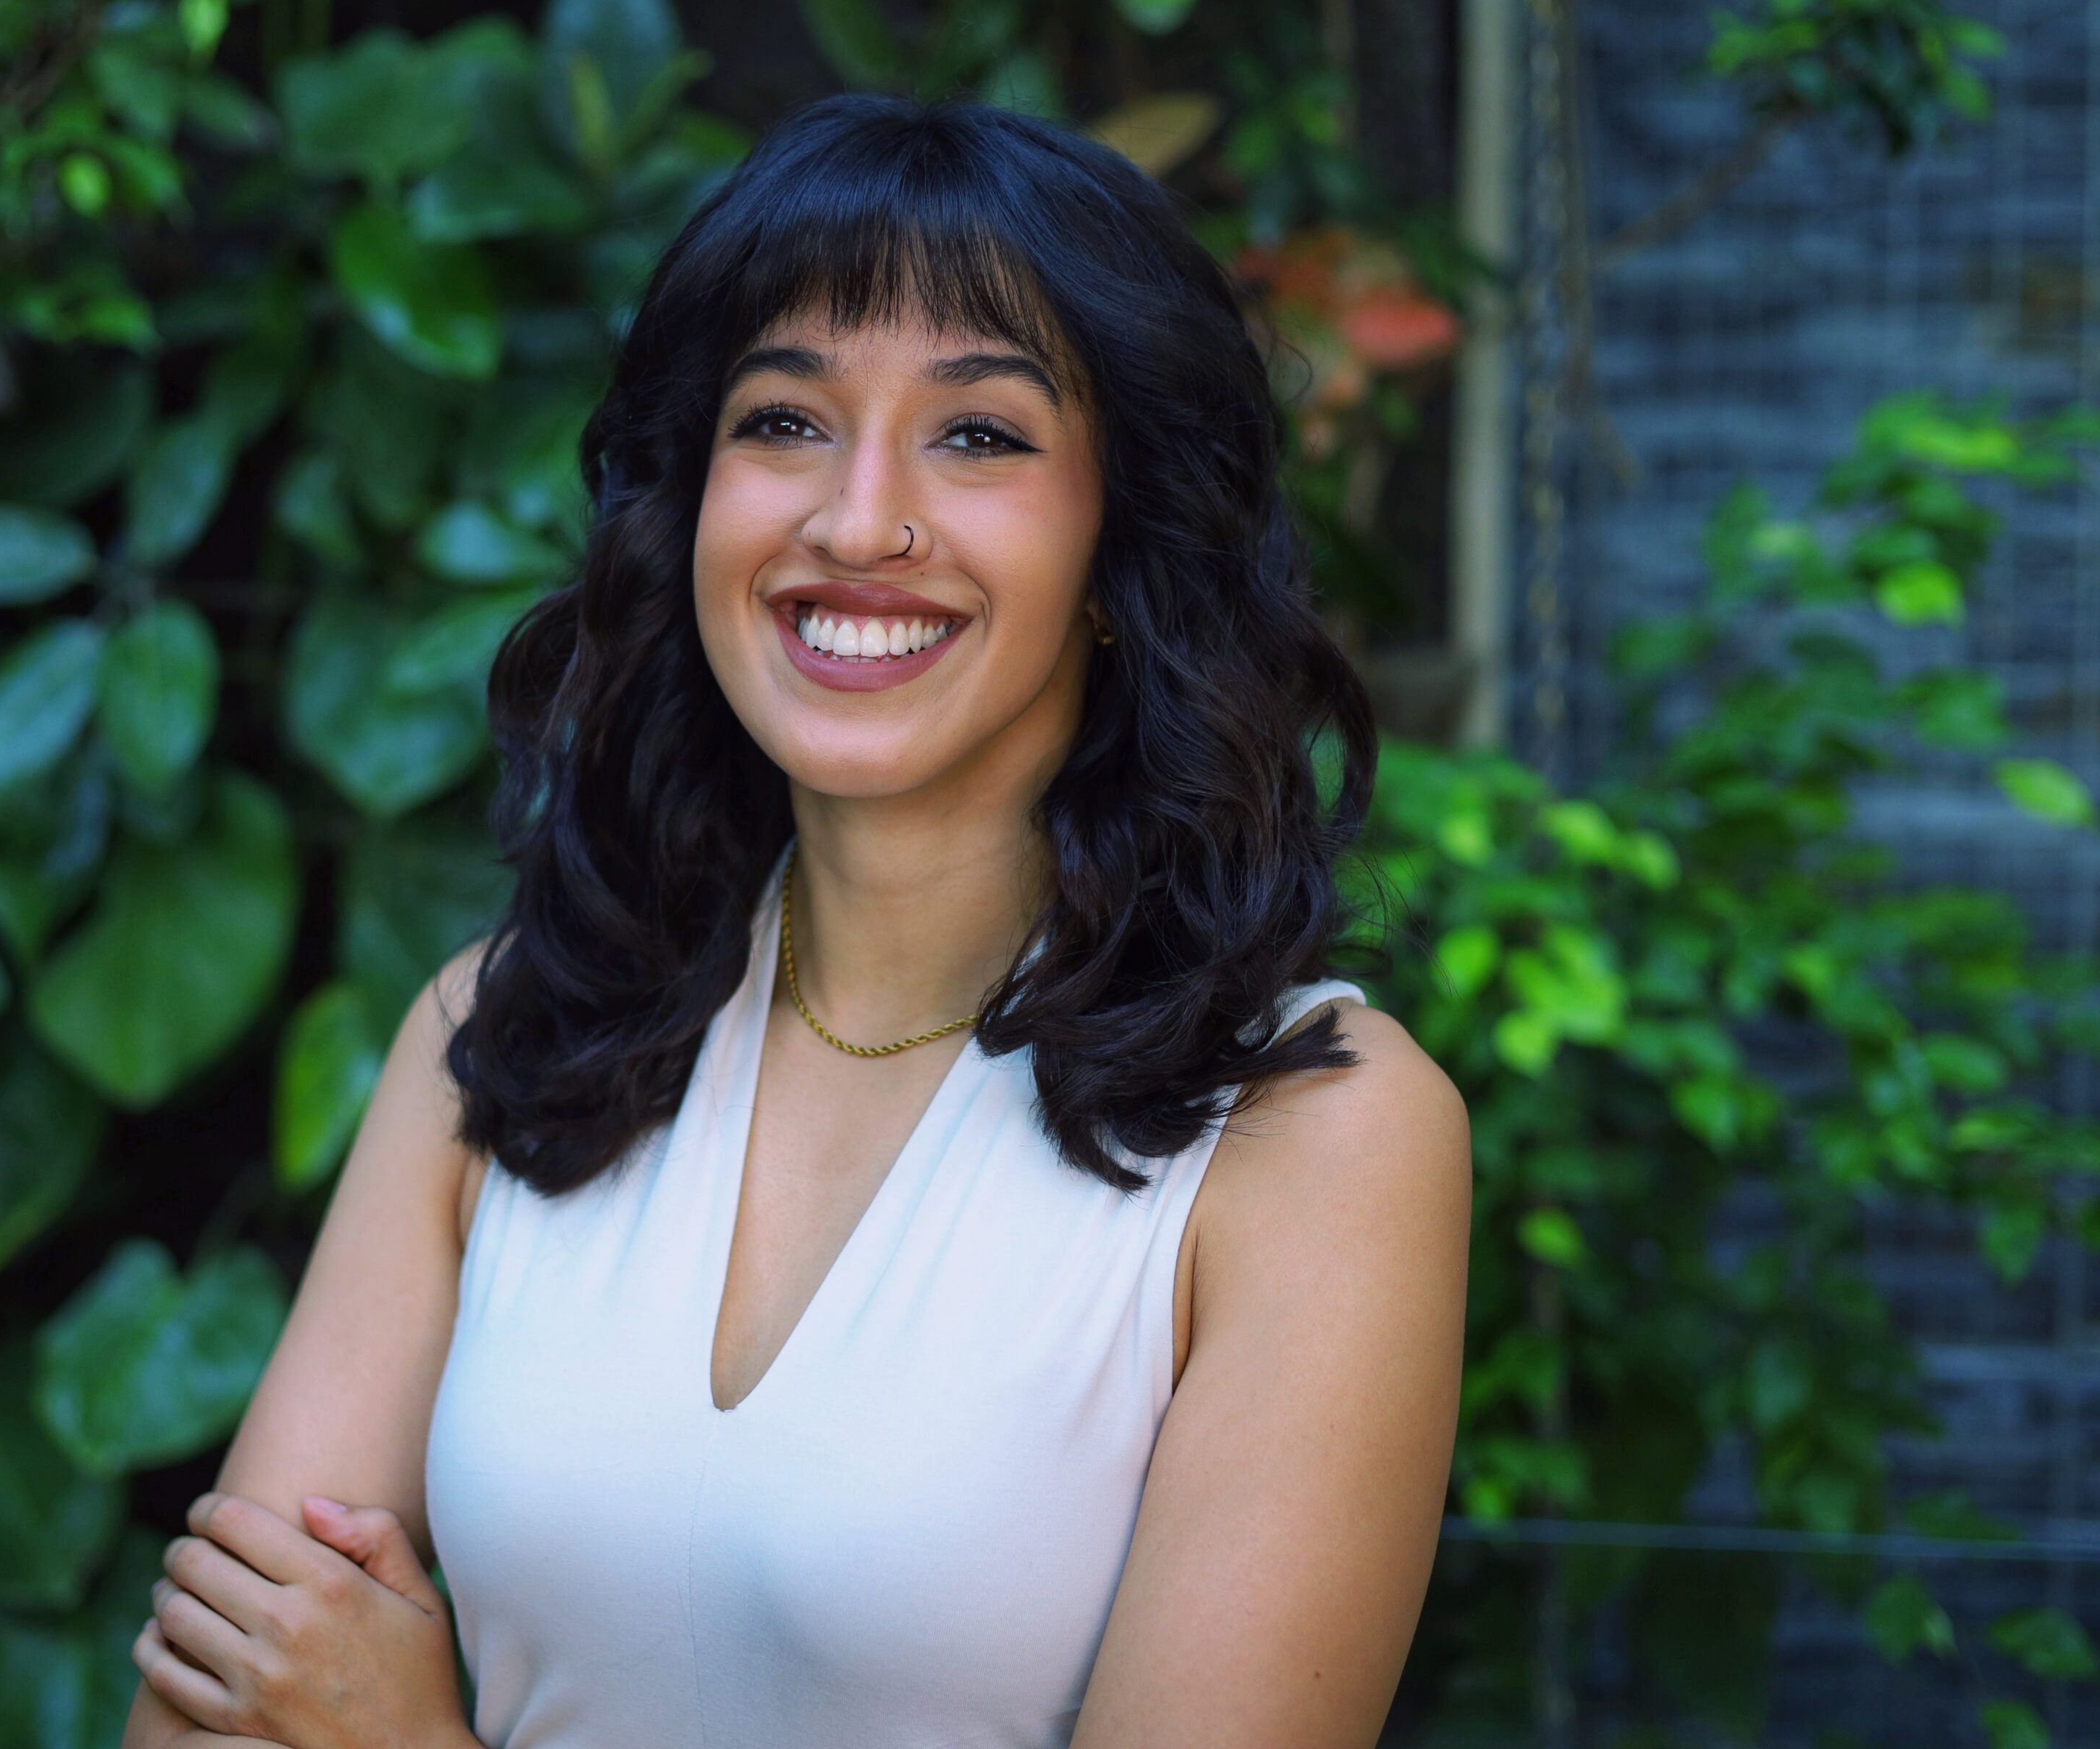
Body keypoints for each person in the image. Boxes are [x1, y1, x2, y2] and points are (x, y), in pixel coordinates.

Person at [123, 95, 1471, 1749]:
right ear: (690, 504)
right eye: (785, 422)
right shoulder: (512, 1039)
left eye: (979, 436)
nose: (856, 520)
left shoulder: (1310, 1137)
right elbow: (214, 1709)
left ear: (1125, 552)